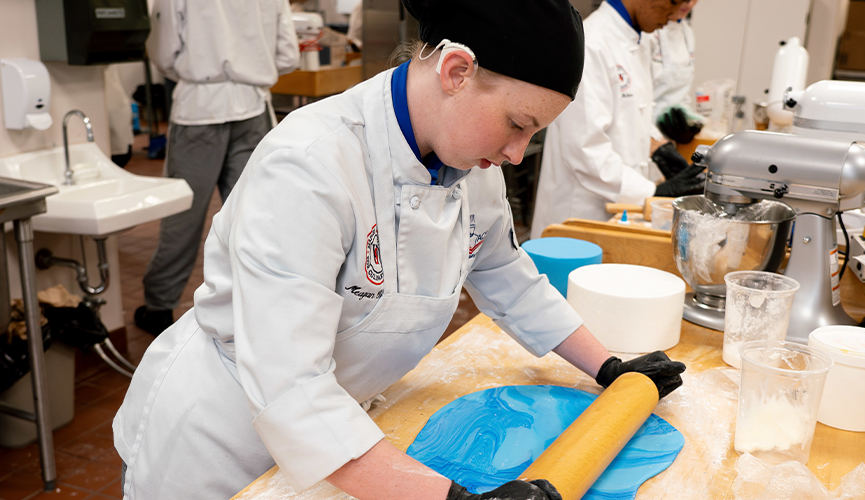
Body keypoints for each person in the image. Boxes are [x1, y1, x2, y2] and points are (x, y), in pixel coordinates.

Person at [113, 0, 686, 498]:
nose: (518, 152)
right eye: (517, 124)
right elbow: (290, 384)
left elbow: (507, 274)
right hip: (225, 440)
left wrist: (611, 365)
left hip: (342, 433)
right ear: (457, 71)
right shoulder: (310, 167)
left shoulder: (467, 161)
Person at [133, 0, 299, 334]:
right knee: (253, 218)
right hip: (253, 109)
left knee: (184, 216)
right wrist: (248, 69)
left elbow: (163, 52)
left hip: (198, 109)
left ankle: (159, 307)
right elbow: (288, 56)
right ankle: (254, 307)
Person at [530, 0, 705, 239]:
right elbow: (585, 150)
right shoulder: (592, 44)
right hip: (579, 215)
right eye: (674, 2)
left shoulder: (638, 40)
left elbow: (632, 113)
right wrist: (653, 192)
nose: (676, 13)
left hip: (619, 209)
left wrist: (659, 148)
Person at [651, 0, 703, 145]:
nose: (688, 3)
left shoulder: (686, 32)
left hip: (671, 141)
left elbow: (682, 92)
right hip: (644, 136)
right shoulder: (649, 31)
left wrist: (688, 122)